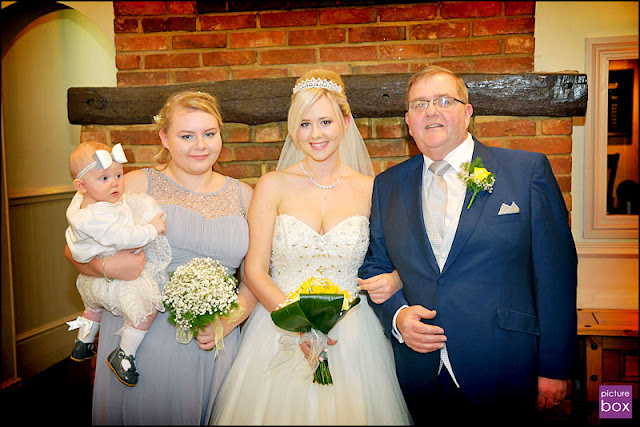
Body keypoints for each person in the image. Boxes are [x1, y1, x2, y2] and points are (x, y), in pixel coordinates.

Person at [358, 65, 578, 426]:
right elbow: (374, 264)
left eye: (444, 100)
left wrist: (554, 367)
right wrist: (398, 317)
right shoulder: (387, 185)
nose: (431, 110)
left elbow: (555, 275)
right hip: (419, 372)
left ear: (468, 112)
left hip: (503, 367)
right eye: (419, 104)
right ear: (408, 122)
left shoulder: (526, 172)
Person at [209, 69, 411, 425]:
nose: (315, 134)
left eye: (325, 122)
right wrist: (300, 328)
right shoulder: (272, 185)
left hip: (352, 332)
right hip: (278, 327)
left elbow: (397, 258)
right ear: (292, 128)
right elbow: (255, 270)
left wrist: (394, 278)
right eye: (304, 124)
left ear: (346, 121)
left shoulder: (371, 188)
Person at [65, 90, 256, 425]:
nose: (200, 145)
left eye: (209, 134)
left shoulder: (244, 195)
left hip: (215, 337)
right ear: (164, 138)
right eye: (186, 136)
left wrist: (231, 320)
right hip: (145, 336)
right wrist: (108, 266)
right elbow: (75, 248)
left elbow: (256, 273)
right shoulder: (135, 185)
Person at [65, 141, 170, 387]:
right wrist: (152, 228)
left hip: (89, 280)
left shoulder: (80, 203)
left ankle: (83, 343)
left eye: (118, 175)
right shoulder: (99, 216)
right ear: (81, 186)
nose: (114, 182)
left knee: (93, 309)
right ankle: (124, 354)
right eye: (104, 178)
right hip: (112, 276)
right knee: (149, 305)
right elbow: (126, 237)